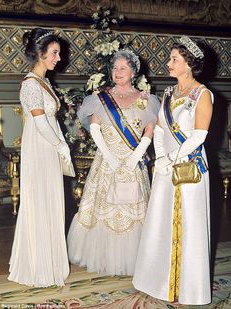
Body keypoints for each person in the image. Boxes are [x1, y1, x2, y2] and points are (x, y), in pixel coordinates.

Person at [133, 36, 213, 305]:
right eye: (170, 59)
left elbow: (199, 135)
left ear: (188, 65)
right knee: (161, 222)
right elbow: (158, 129)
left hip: (189, 169)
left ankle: (185, 289)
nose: (168, 63)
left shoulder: (202, 94)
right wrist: (161, 156)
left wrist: (173, 156)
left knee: (187, 225)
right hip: (166, 167)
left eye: (174, 60)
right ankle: (156, 281)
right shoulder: (168, 93)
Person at [67, 49, 160, 275]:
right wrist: (109, 156)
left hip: (132, 161)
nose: (117, 72)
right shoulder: (101, 98)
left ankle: (136, 258)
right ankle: (102, 257)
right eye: (115, 68)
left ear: (133, 72)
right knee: (103, 209)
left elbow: (150, 128)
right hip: (107, 162)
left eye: (123, 68)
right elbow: (95, 127)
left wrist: (137, 155)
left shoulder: (145, 99)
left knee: (132, 209)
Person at [8, 28, 73, 287]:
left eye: (58, 52)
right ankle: (37, 267)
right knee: (39, 203)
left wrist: (59, 146)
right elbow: (41, 123)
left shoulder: (45, 82)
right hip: (41, 149)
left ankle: (53, 264)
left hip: (49, 149)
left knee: (52, 203)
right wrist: (61, 146)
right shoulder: (30, 84)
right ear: (40, 53)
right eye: (54, 53)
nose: (59, 58)